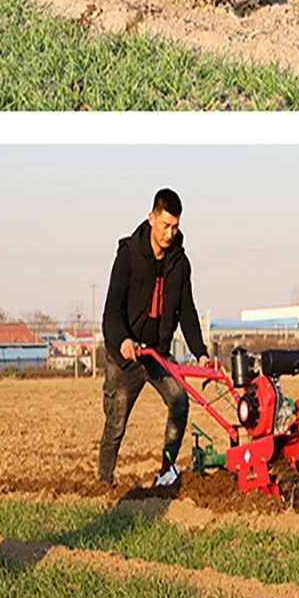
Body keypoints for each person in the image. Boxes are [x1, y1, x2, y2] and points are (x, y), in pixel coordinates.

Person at [98, 188, 209, 487]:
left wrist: (201, 353)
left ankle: (166, 472)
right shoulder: (129, 256)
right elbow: (111, 311)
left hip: (157, 354)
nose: (170, 233)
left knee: (179, 401)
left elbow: (187, 310)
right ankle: (103, 483)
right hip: (127, 355)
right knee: (115, 424)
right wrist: (122, 341)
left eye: (175, 227)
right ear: (151, 219)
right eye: (165, 226)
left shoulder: (180, 264)